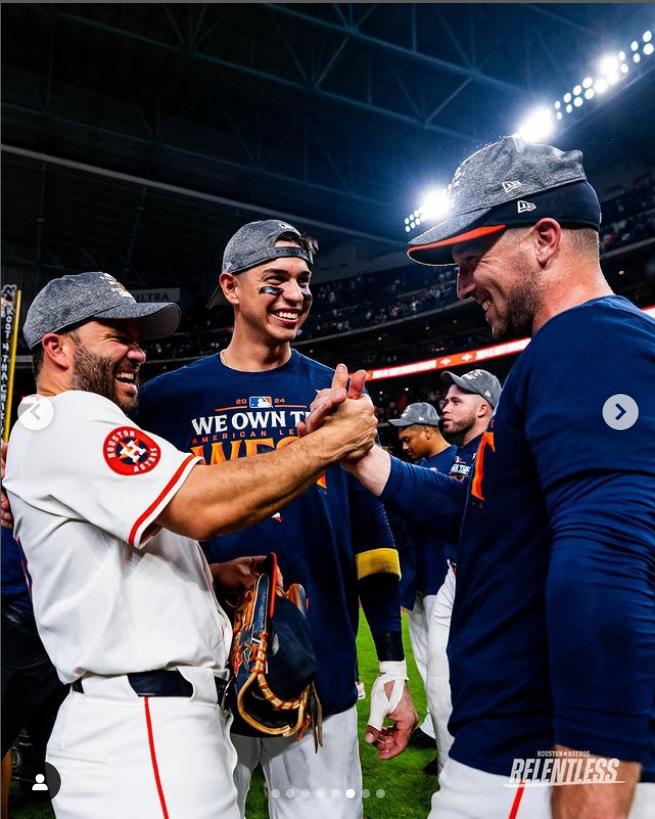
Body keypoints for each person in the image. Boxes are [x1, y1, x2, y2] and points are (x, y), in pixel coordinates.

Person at [309, 136, 655, 818]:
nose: (462, 281)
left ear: (545, 239)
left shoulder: (591, 340)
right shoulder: (567, 350)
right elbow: (482, 513)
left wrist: (588, 776)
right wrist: (362, 456)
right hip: (512, 752)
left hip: (532, 764)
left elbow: (609, 566)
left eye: (473, 256)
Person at [3, 271, 378, 819]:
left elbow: (119, 557)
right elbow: (202, 506)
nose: (136, 353)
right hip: (142, 731)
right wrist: (328, 443)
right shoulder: (71, 417)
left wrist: (212, 577)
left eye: (139, 339)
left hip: (144, 722)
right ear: (56, 348)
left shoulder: (63, 428)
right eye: (117, 336)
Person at [135, 220, 417, 819]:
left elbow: (373, 538)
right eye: (276, 280)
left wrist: (391, 661)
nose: (296, 294)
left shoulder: (334, 395)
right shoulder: (167, 400)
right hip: (202, 668)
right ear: (230, 287)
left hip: (321, 667)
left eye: (304, 281)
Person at [425, 368, 500, 776]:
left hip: (485, 581)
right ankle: (449, 771)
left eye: (457, 400)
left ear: (483, 408)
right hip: (453, 576)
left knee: (475, 685)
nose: (445, 405)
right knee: (439, 683)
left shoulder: (502, 451)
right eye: (446, 398)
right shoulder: (461, 454)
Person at [387, 402, 455, 755]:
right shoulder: (416, 469)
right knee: (426, 662)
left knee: (446, 665)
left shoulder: (459, 462)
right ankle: (435, 728)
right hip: (416, 580)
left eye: (409, 435)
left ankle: (452, 738)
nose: (404, 444)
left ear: (428, 429)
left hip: (444, 578)